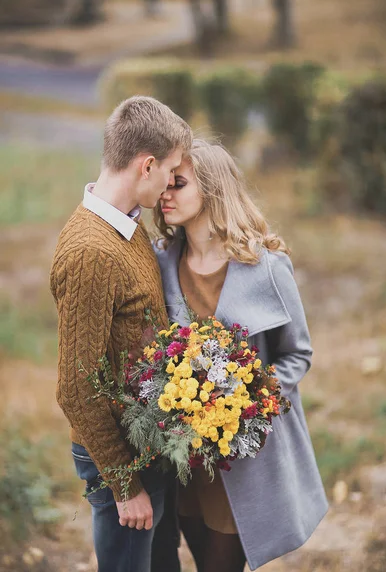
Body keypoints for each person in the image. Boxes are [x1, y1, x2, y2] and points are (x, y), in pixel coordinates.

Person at [153, 138, 329, 572]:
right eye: (164, 184)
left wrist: (248, 401)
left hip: (244, 461)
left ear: (212, 188)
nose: (165, 194)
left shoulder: (266, 266)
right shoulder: (159, 262)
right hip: (183, 458)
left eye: (178, 183)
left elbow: (298, 354)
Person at [50, 96, 192, 572]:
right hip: (117, 457)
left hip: (146, 445)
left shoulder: (126, 229)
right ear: (146, 165)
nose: (173, 181)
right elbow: (75, 385)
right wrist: (125, 484)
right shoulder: (91, 252)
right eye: (171, 169)